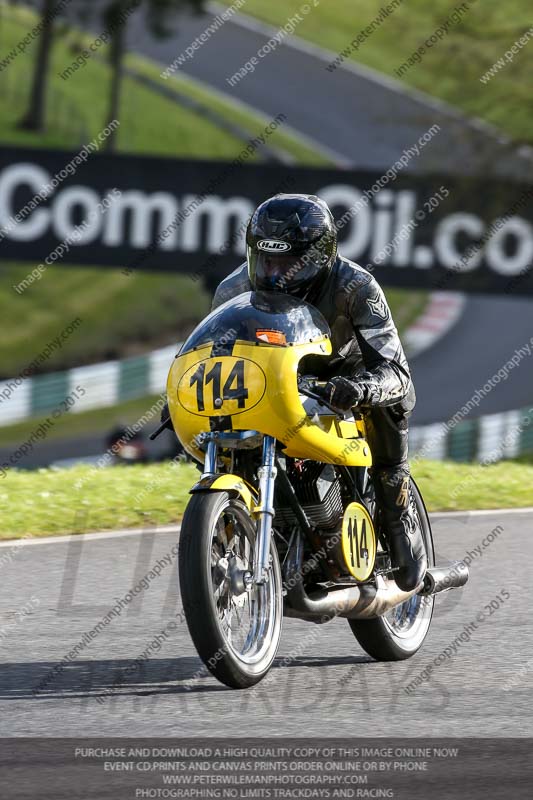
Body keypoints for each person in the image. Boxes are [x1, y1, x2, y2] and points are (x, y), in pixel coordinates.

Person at [211, 193, 426, 592]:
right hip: (275, 379)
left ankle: (399, 524)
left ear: (319, 257)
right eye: (267, 260)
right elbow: (217, 355)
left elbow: (397, 370)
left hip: (349, 376)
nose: (275, 274)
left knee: (391, 406)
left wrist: (363, 387)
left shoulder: (357, 286)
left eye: (289, 263)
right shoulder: (233, 290)